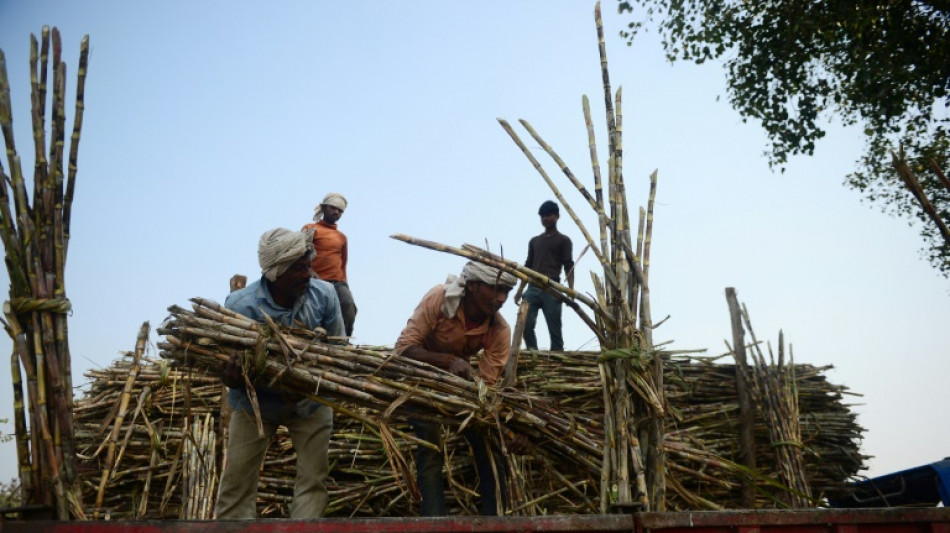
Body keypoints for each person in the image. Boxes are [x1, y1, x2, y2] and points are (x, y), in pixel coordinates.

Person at [215, 228, 344, 519]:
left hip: (309, 400)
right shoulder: (241, 306)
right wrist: (232, 377)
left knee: (314, 480)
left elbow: (338, 351)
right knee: (237, 481)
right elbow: (226, 360)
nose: (308, 274)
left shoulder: (324, 295)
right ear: (275, 273)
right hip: (255, 401)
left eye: (308, 264)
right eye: (298, 269)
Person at [394, 261, 529, 516]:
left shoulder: (499, 330)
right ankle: (433, 520)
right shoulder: (440, 300)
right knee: (430, 441)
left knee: (487, 442)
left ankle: (496, 517)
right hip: (420, 384)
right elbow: (402, 349)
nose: (501, 299)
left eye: (506, 293)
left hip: (462, 391)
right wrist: (447, 361)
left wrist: (501, 427)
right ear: (473, 286)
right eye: (496, 290)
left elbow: (485, 389)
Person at [515, 200, 574, 352]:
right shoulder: (534, 241)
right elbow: (527, 267)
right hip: (533, 287)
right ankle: (533, 352)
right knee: (525, 323)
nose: (545, 219)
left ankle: (557, 358)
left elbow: (569, 265)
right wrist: (520, 290)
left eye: (548, 215)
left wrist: (571, 291)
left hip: (552, 288)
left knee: (554, 328)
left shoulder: (564, 240)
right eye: (542, 216)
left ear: (557, 216)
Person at [302, 192, 357, 338]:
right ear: (324, 208)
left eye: (340, 211)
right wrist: (308, 270)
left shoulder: (341, 237)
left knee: (348, 307)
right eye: (333, 208)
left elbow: (342, 264)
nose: (336, 212)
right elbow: (299, 252)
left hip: (337, 282)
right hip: (314, 279)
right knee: (314, 311)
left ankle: (343, 341)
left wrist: (345, 284)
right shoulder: (310, 228)